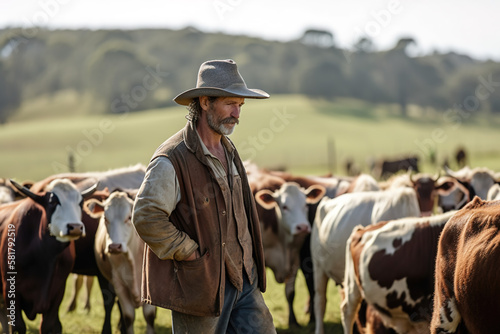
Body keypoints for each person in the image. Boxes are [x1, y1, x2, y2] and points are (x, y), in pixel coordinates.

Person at [133, 59, 276, 333]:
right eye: (230, 104)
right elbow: (146, 216)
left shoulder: (228, 149)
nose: (237, 113)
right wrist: (187, 252)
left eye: (240, 106)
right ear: (204, 102)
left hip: (245, 279)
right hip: (201, 285)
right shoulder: (171, 158)